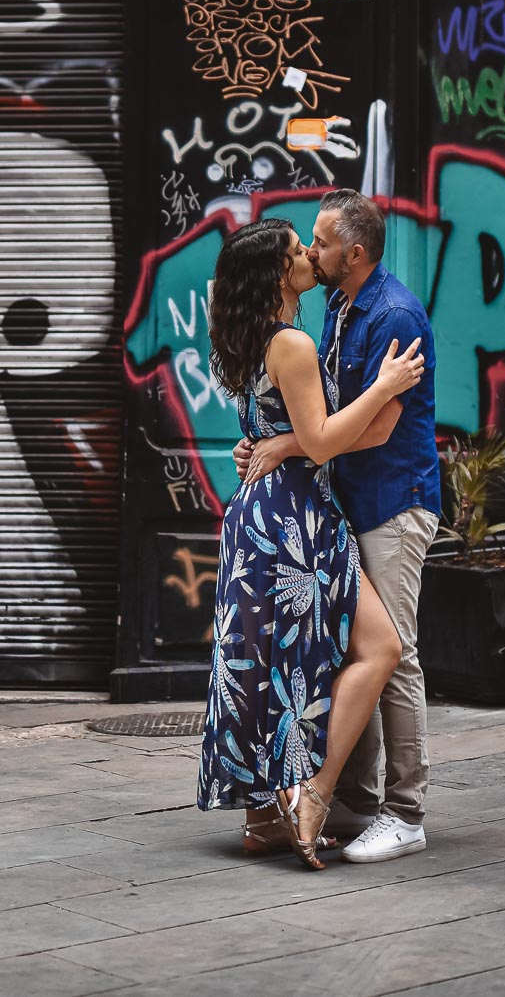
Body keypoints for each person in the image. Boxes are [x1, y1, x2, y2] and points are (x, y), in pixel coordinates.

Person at [196, 216, 426, 870]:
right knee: (380, 648)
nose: (309, 256)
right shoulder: (292, 343)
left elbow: (277, 431)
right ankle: (316, 795)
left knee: (266, 660)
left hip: (260, 516)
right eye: (299, 250)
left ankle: (265, 820)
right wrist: (383, 388)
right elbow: (322, 441)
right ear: (277, 273)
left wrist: (275, 444)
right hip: (294, 518)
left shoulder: (251, 339)